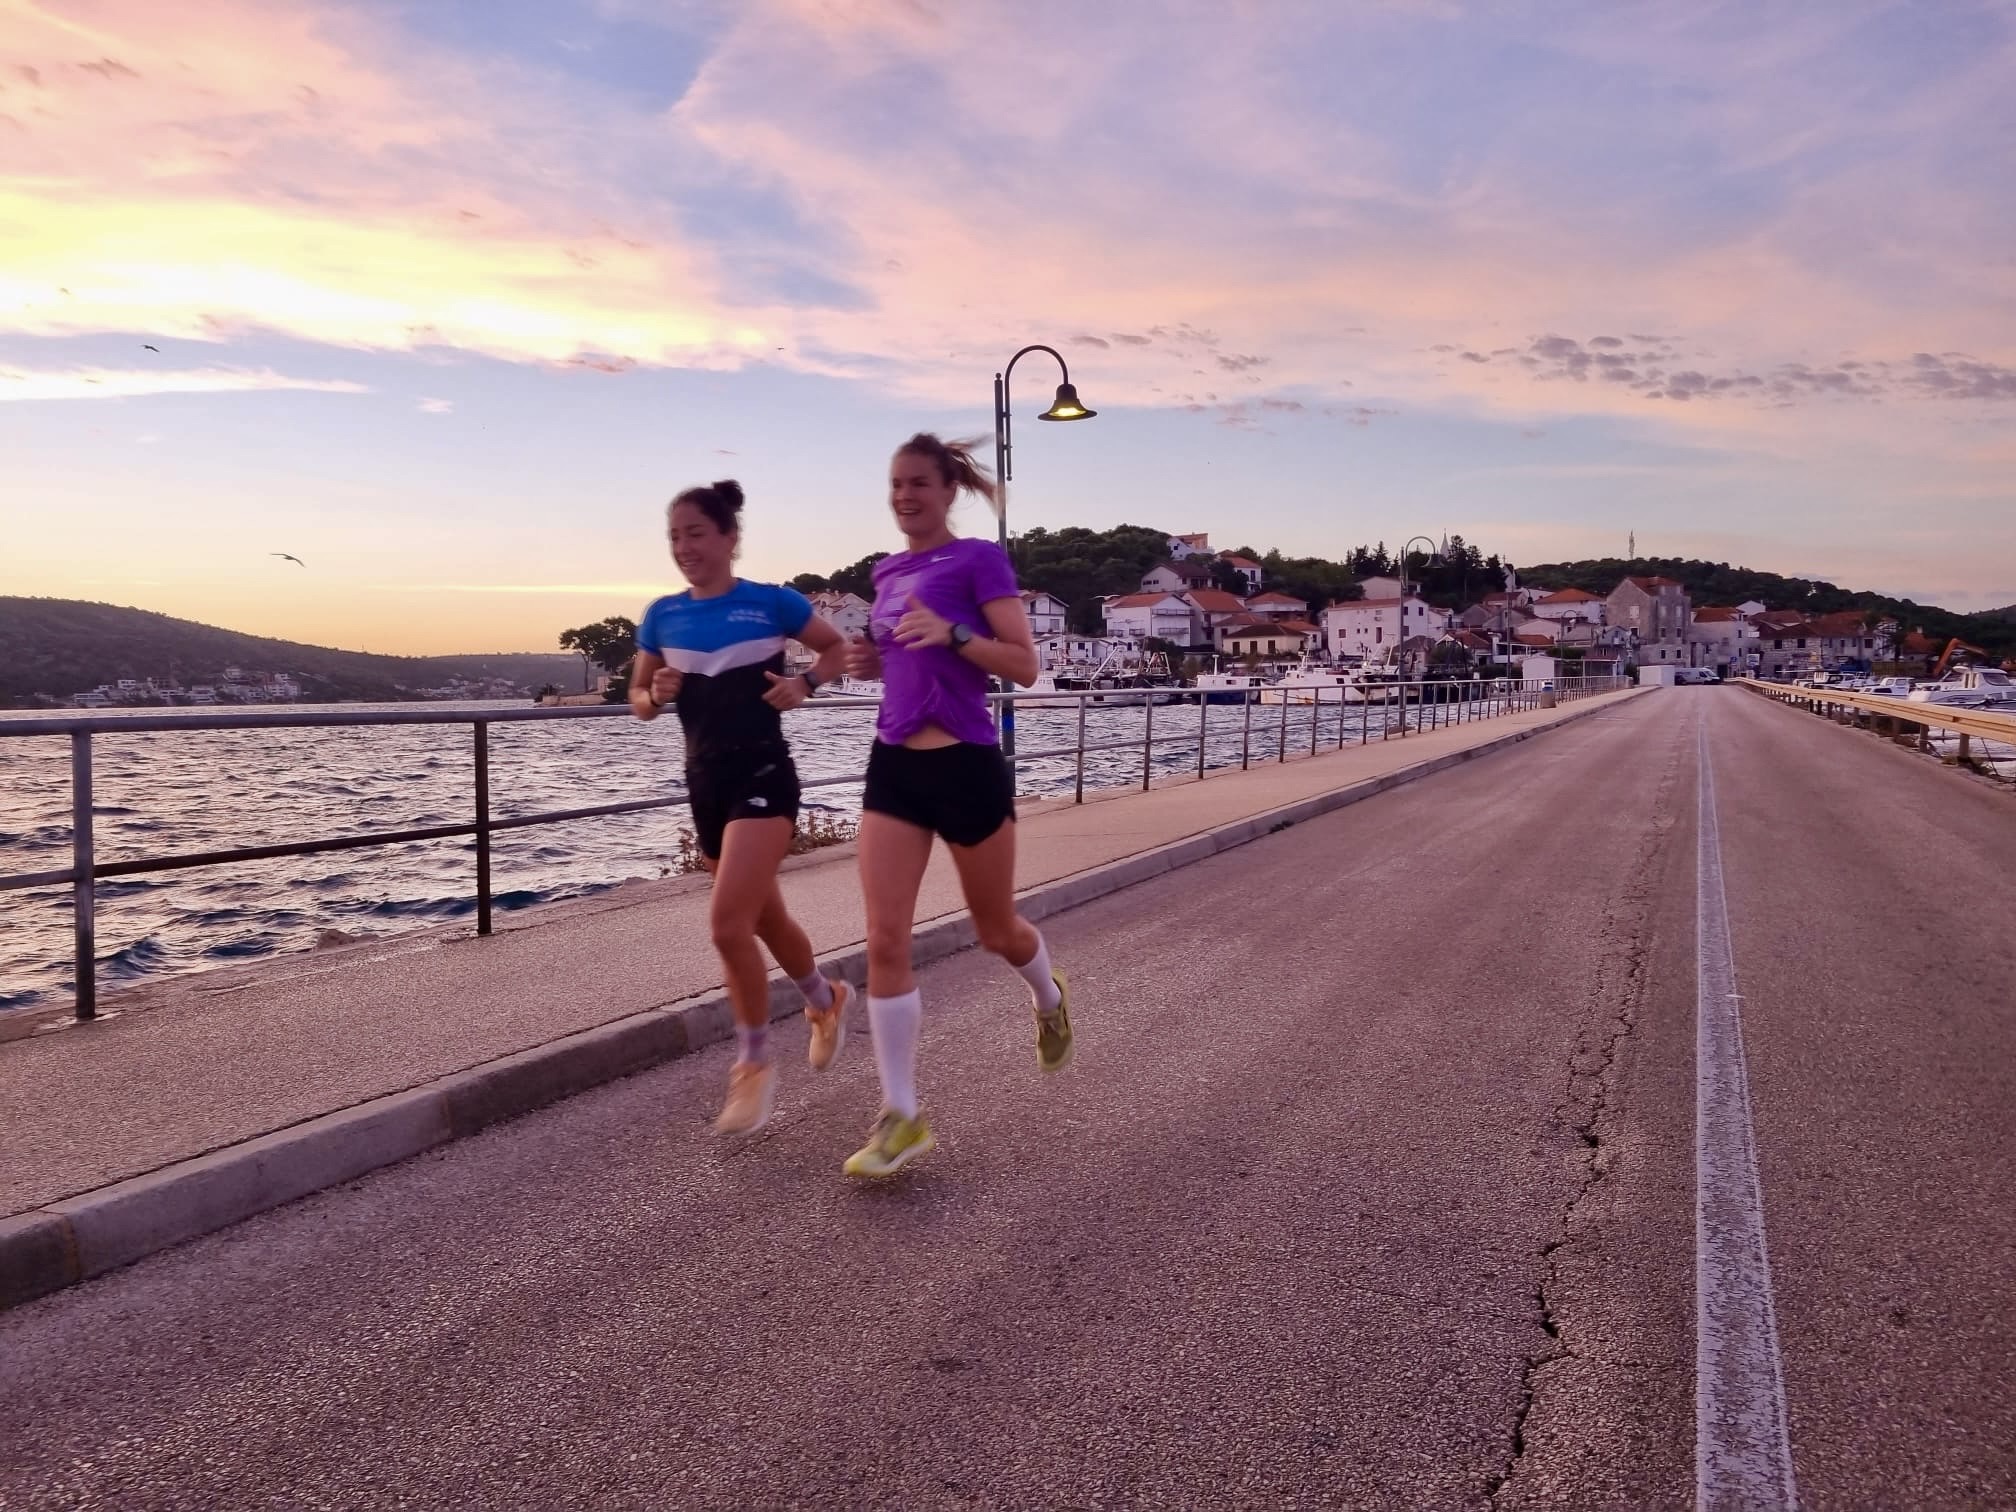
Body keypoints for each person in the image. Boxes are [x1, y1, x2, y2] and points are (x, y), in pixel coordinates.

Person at [838, 434, 1073, 1178]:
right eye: (895, 485)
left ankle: (1047, 994)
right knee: (883, 939)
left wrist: (955, 631)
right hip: (894, 765)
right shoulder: (885, 572)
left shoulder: (979, 561)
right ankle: (902, 1115)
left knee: (995, 928)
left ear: (947, 491)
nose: (904, 496)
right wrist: (875, 660)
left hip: (966, 764)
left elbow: (1025, 667)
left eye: (917, 484)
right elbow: (906, 661)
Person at [631, 479, 853, 1134]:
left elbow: (837, 648)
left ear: (729, 537)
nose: (684, 547)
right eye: (674, 536)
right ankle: (825, 997)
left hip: (765, 774)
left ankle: (753, 1066)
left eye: (696, 533)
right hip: (705, 784)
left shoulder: (770, 603)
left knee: (728, 925)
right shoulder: (661, 615)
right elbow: (638, 700)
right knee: (763, 916)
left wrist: (805, 683)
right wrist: (657, 692)